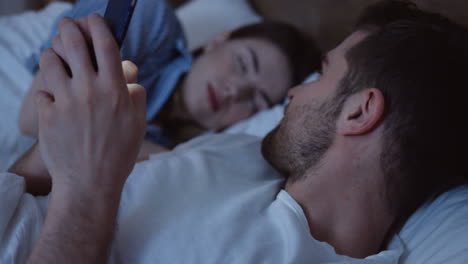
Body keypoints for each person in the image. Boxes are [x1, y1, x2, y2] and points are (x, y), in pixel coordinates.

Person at [4, 0, 468, 263]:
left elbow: (82, 184)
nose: (292, 94)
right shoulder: (246, 153)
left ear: (359, 112)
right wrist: (66, 145)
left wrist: (86, 191)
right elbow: (37, 176)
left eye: (321, 75)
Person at [18, 0, 320, 153]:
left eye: (256, 99)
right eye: (242, 64)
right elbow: (34, 118)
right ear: (219, 39)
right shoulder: (150, 21)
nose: (235, 90)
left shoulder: (185, 151)